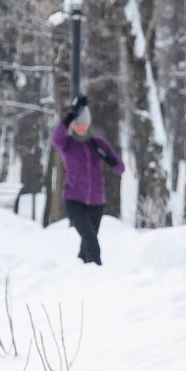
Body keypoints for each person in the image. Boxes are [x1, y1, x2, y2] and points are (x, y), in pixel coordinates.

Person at [51, 94, 125, 266]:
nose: (81, 127)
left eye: (84, 124)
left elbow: (120, 167)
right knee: (92, 242)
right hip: (74, 200)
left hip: (97, 202)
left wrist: (110, 160)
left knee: (86, 245)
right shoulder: (67, 143)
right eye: (78, 124)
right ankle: (98, 268)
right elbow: (56, 138)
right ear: (73, 125)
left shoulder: (97, 143)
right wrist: (70, 115)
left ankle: (80, 271)